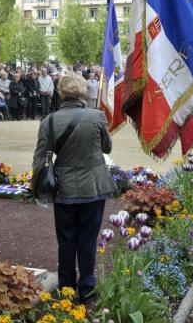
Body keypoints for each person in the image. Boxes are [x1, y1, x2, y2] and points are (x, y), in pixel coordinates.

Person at [32, 73, 116, 303]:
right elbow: (107, 148)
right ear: (83, 93)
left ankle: (67, 286)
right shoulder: (97, 116)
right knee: (88, 239)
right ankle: (87, 287)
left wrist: (36, 190)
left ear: (61, 93)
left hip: (64, 188)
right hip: (93, 186)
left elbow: (40, 158)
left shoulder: (48, 121)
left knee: (66, 239)